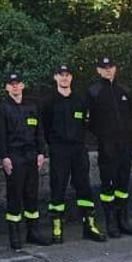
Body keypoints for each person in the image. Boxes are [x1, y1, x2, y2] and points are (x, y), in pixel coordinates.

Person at [40, 66, 105, 244]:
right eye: (61, 75)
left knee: (84, 186)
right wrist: (52, 145)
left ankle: (89, 225)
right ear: (55, 77)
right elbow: (44, 127)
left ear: (71, 78)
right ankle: (57, 226)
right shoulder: (49, 102)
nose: (64, 78)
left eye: (67, 75)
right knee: (58, 187)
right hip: (59, 150)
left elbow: (86, 123)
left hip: (78, 149)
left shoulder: (80, 100)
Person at [88, 56, 132, 238]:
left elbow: (131, 115)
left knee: (123, 182)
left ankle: (123, 221)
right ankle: (111, 222)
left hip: (125, 143)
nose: (108, 70)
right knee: (108, 184)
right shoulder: (94, 91)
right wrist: (102, 136)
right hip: (107, 144)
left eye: (111, 67)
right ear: (98, 70)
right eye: (104, 68)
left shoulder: (125, 90)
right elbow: (89, 121)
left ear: (115, 68)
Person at [0, 74, 51, 251]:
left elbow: (39, 130)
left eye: (18, 84)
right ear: (7, 88)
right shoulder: (3, 109)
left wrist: (41, 152)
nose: (15, 87)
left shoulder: (31, 106)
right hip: (14, 157)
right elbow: (0, 136)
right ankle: (15, 235)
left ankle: (32, 232)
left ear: (22, 85)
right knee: (15, 196)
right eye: (11, 84)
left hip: (31, 156)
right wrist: (4, 157)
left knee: (31, 195)